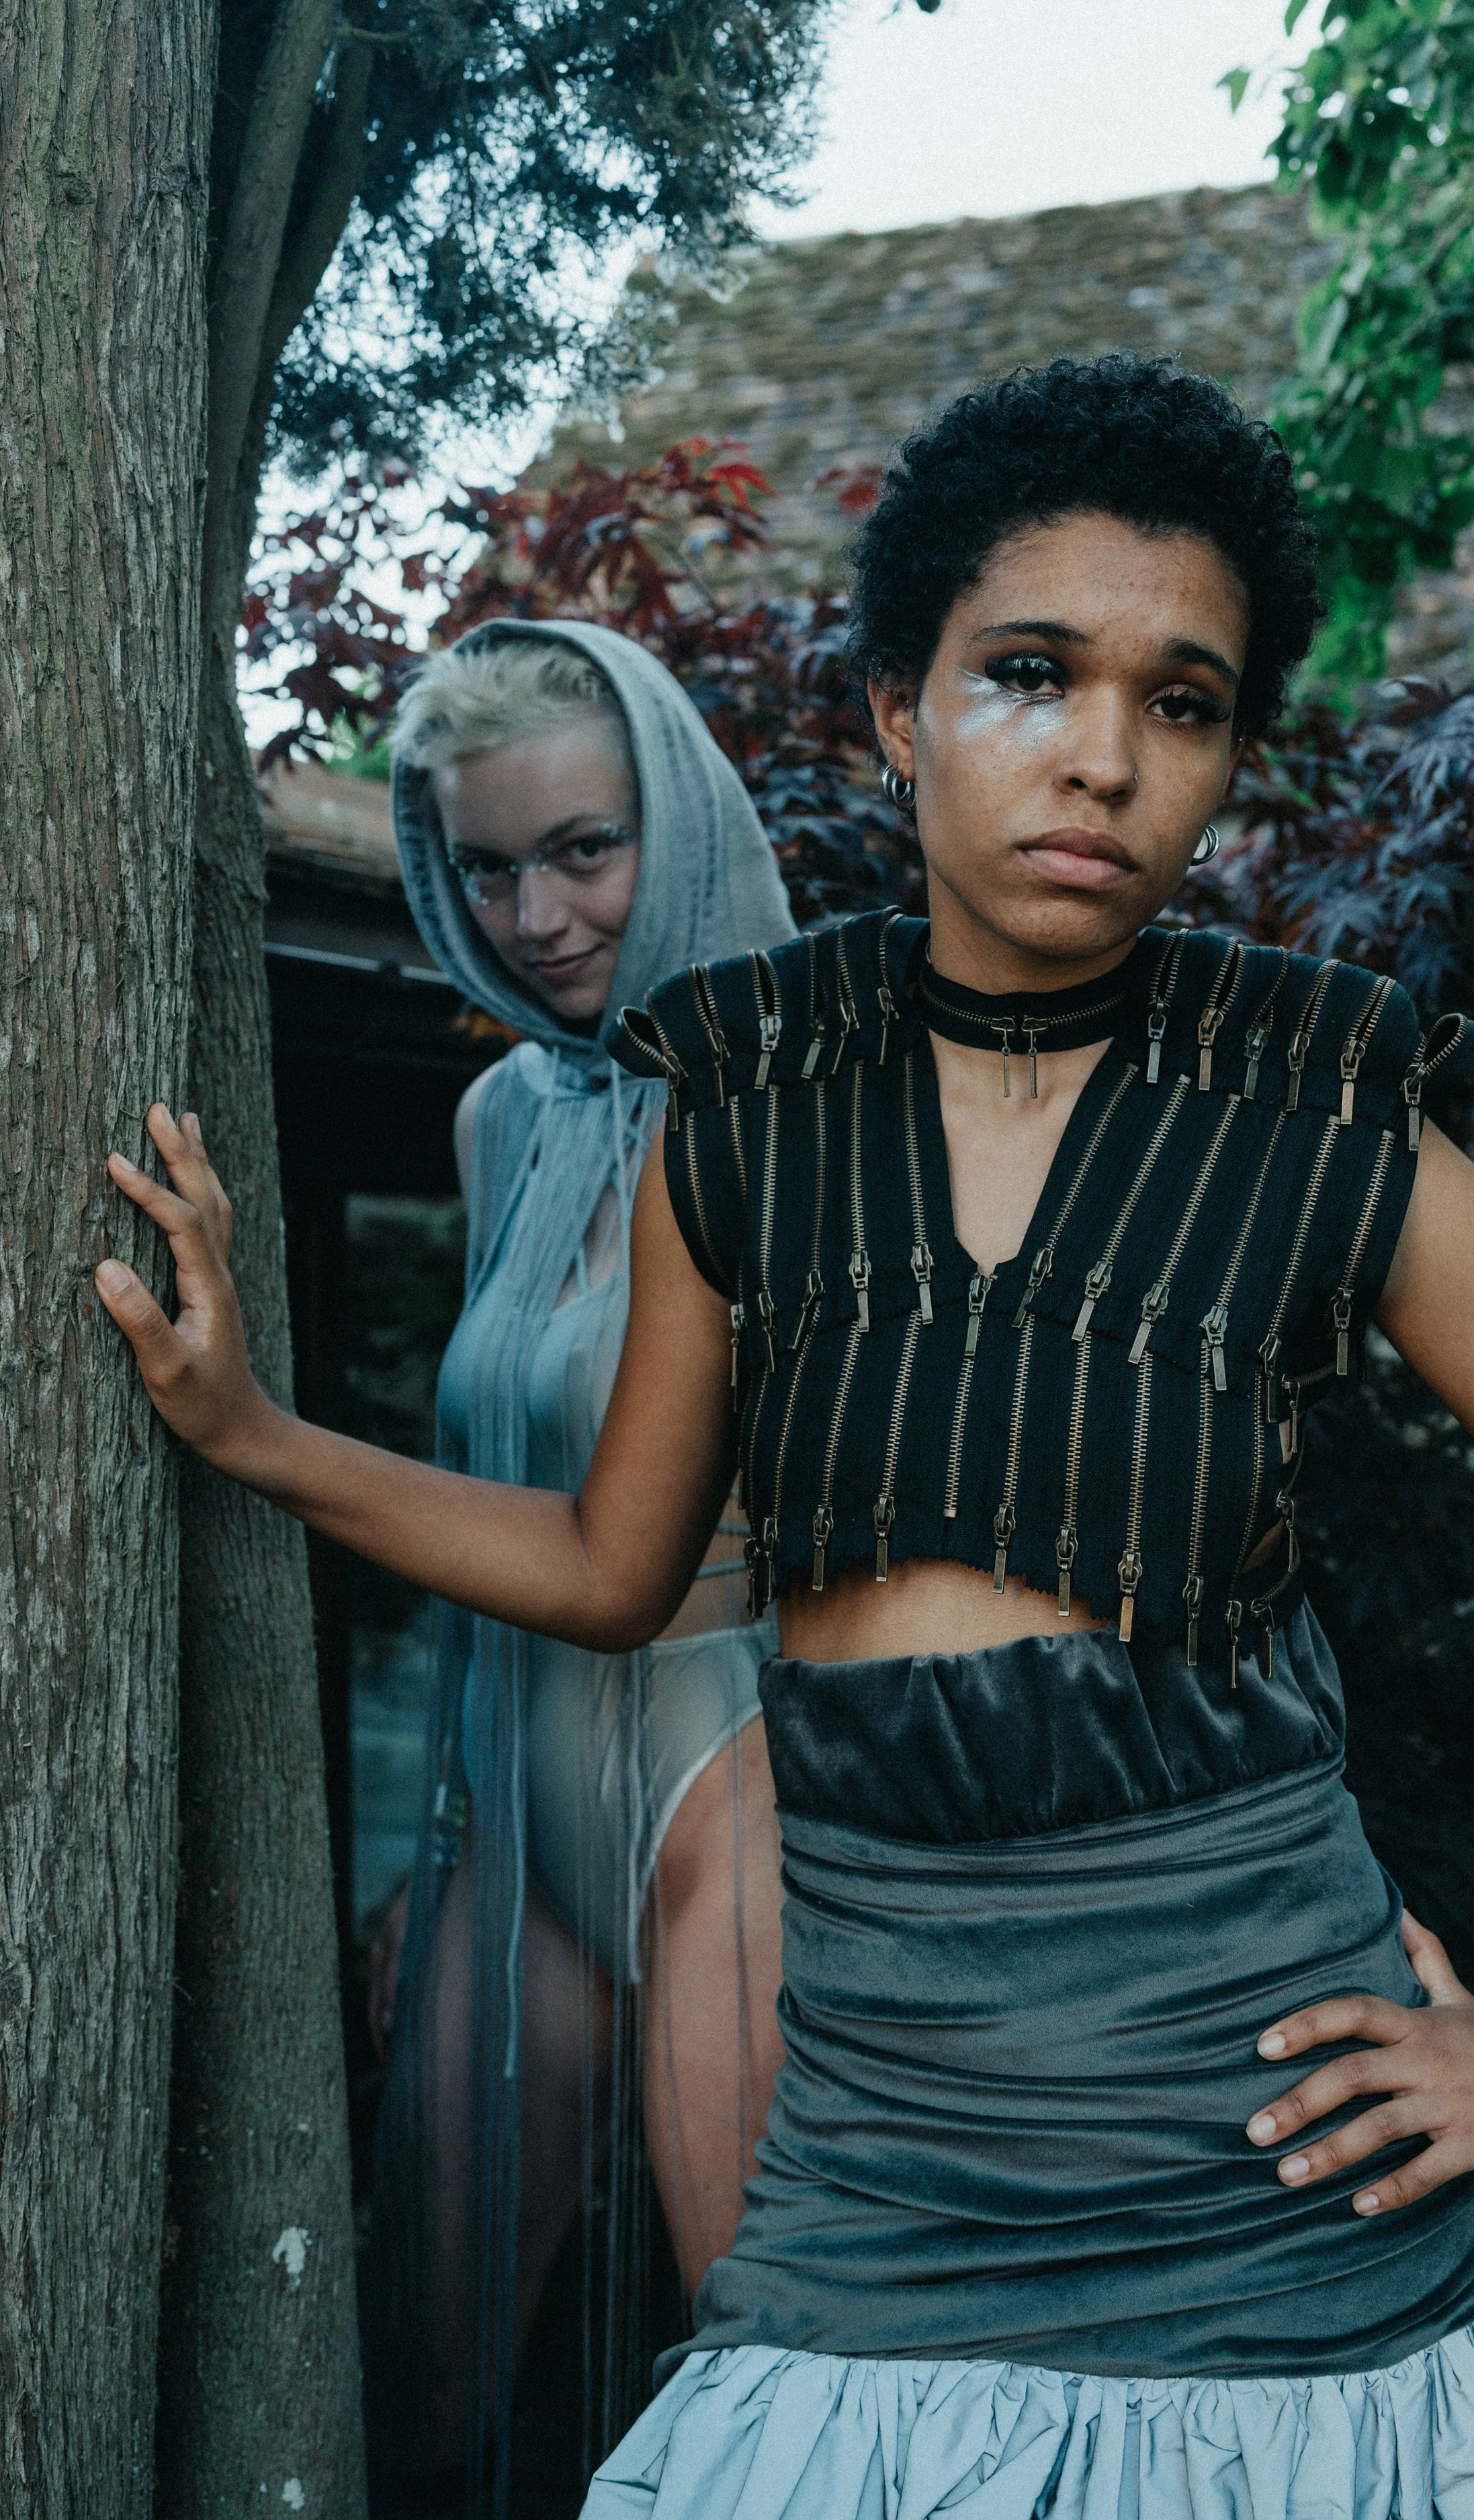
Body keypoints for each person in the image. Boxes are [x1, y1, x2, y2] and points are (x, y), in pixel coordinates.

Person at [97, 358, 1474, 2519]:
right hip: (876, 2176)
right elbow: (614, 1567)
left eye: (1183, 700)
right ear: (892, 714)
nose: (1103, 754)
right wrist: (258, 1432)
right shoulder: (744, 1106)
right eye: (1028, 671)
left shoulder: (1323, 1121)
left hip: (1275, 2199)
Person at [359, 620, 794, 2513]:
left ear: (674, 823)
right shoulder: (502, 1120)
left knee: (763, 2375)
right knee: (419, 2369)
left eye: (583, 851)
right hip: (518, 1820)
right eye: (485, 866)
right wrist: (435, 1837)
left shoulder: (801, 1100)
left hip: (730, 1793)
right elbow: (485, 1504)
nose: (533, 917)